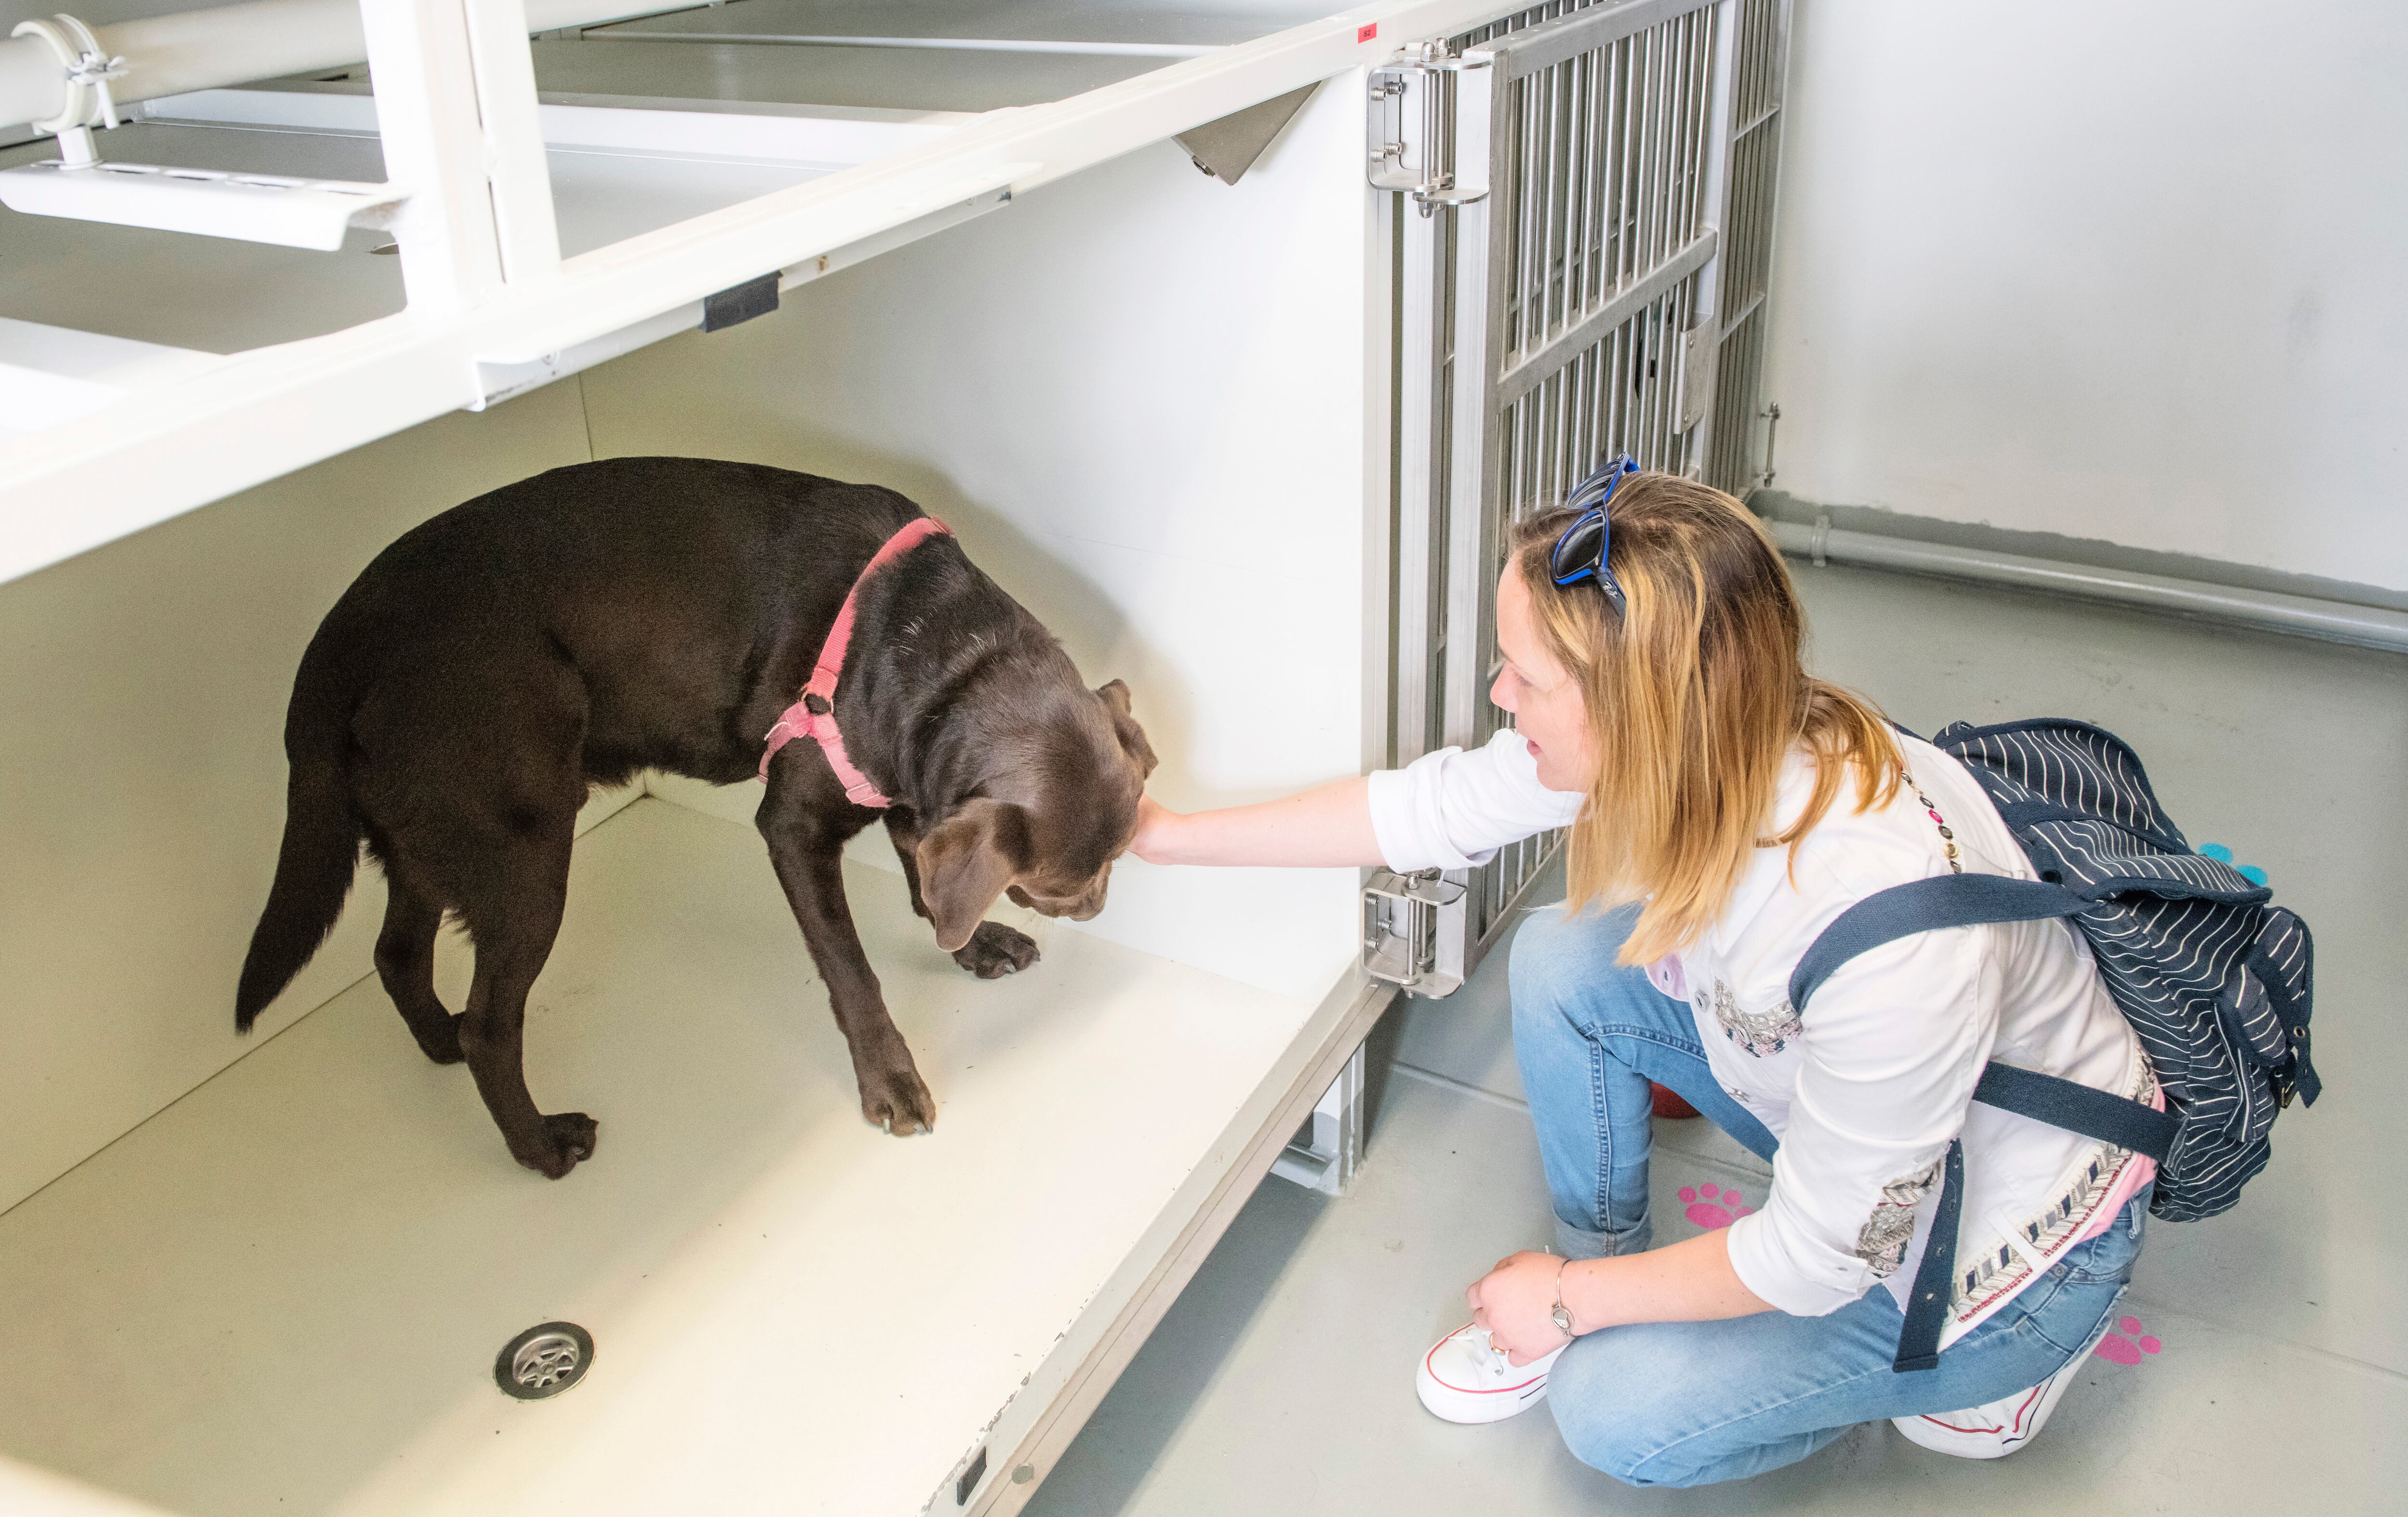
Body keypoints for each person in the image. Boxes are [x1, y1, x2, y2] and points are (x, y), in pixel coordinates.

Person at [1129, 464, 2156, 1487]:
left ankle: (1991, 1371)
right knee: (1564, 962)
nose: (1498, 696)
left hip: (1999, 1246)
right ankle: (1603, 1261)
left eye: (1525, 679)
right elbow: (1428, 810)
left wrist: (1568, 1303)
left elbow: (1818, 1256)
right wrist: (1159, 837)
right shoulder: (1726, 732)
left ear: (1642, 706)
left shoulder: (1882, 936)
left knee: (1619, 1417)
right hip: (1874, 1127)